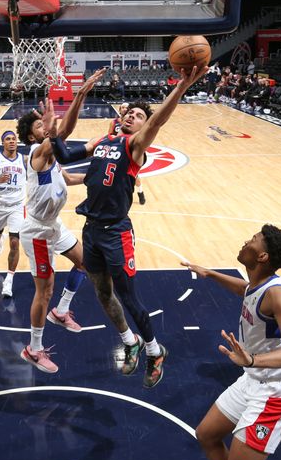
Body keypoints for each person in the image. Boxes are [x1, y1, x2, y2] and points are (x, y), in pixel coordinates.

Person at [53, 65, 208, 387]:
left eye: (137, 115)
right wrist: (52, 134)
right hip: (91, 230)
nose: (130, 116)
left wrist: (180, 87)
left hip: (116, 233)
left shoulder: (135, 147)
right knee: (102, 292)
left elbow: (158, 121)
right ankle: (130, 341)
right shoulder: (104, 140)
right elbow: (66, 158)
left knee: (128, 297)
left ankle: (154, 350)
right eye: (129, 113)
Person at [183, 225, 281, 460]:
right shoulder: (257, 283)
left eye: (252, 240)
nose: (245, 242)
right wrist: (211, 274)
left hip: (275, 389)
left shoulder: (278, 293)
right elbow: (245, 290)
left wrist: (252, 360)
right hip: (253, 378)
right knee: (207, 434)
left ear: (262, 256)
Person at [16, 69, 106, 373]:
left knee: (86, 264)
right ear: (32, 135)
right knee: (44, 291)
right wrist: (80, 94)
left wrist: (98, 179)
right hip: (38, 232)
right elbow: (62, 136)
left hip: (54, 226)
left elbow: (68, 176)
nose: (47, 125)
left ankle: (62, 311)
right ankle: (34, 348)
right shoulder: (37, 153)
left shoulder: (52, 160)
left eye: (46, 122)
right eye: (41, 124)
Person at [0, 130, 27, 297]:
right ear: (3, 143)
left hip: (17, 206)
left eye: (14, 139)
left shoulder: (25, 160)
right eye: (8, 139)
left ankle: (9, 280)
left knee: (15, 243)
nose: (11, 141)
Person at [107, 103, 147, 205]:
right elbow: (109, 134)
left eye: (126, 107)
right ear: (120, 110)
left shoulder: (134, 125)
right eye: (123, 107)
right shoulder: (114, 122)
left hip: (129, 148)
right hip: (117, 149)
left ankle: (140, 192)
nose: (125, 109)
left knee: (135, 176)